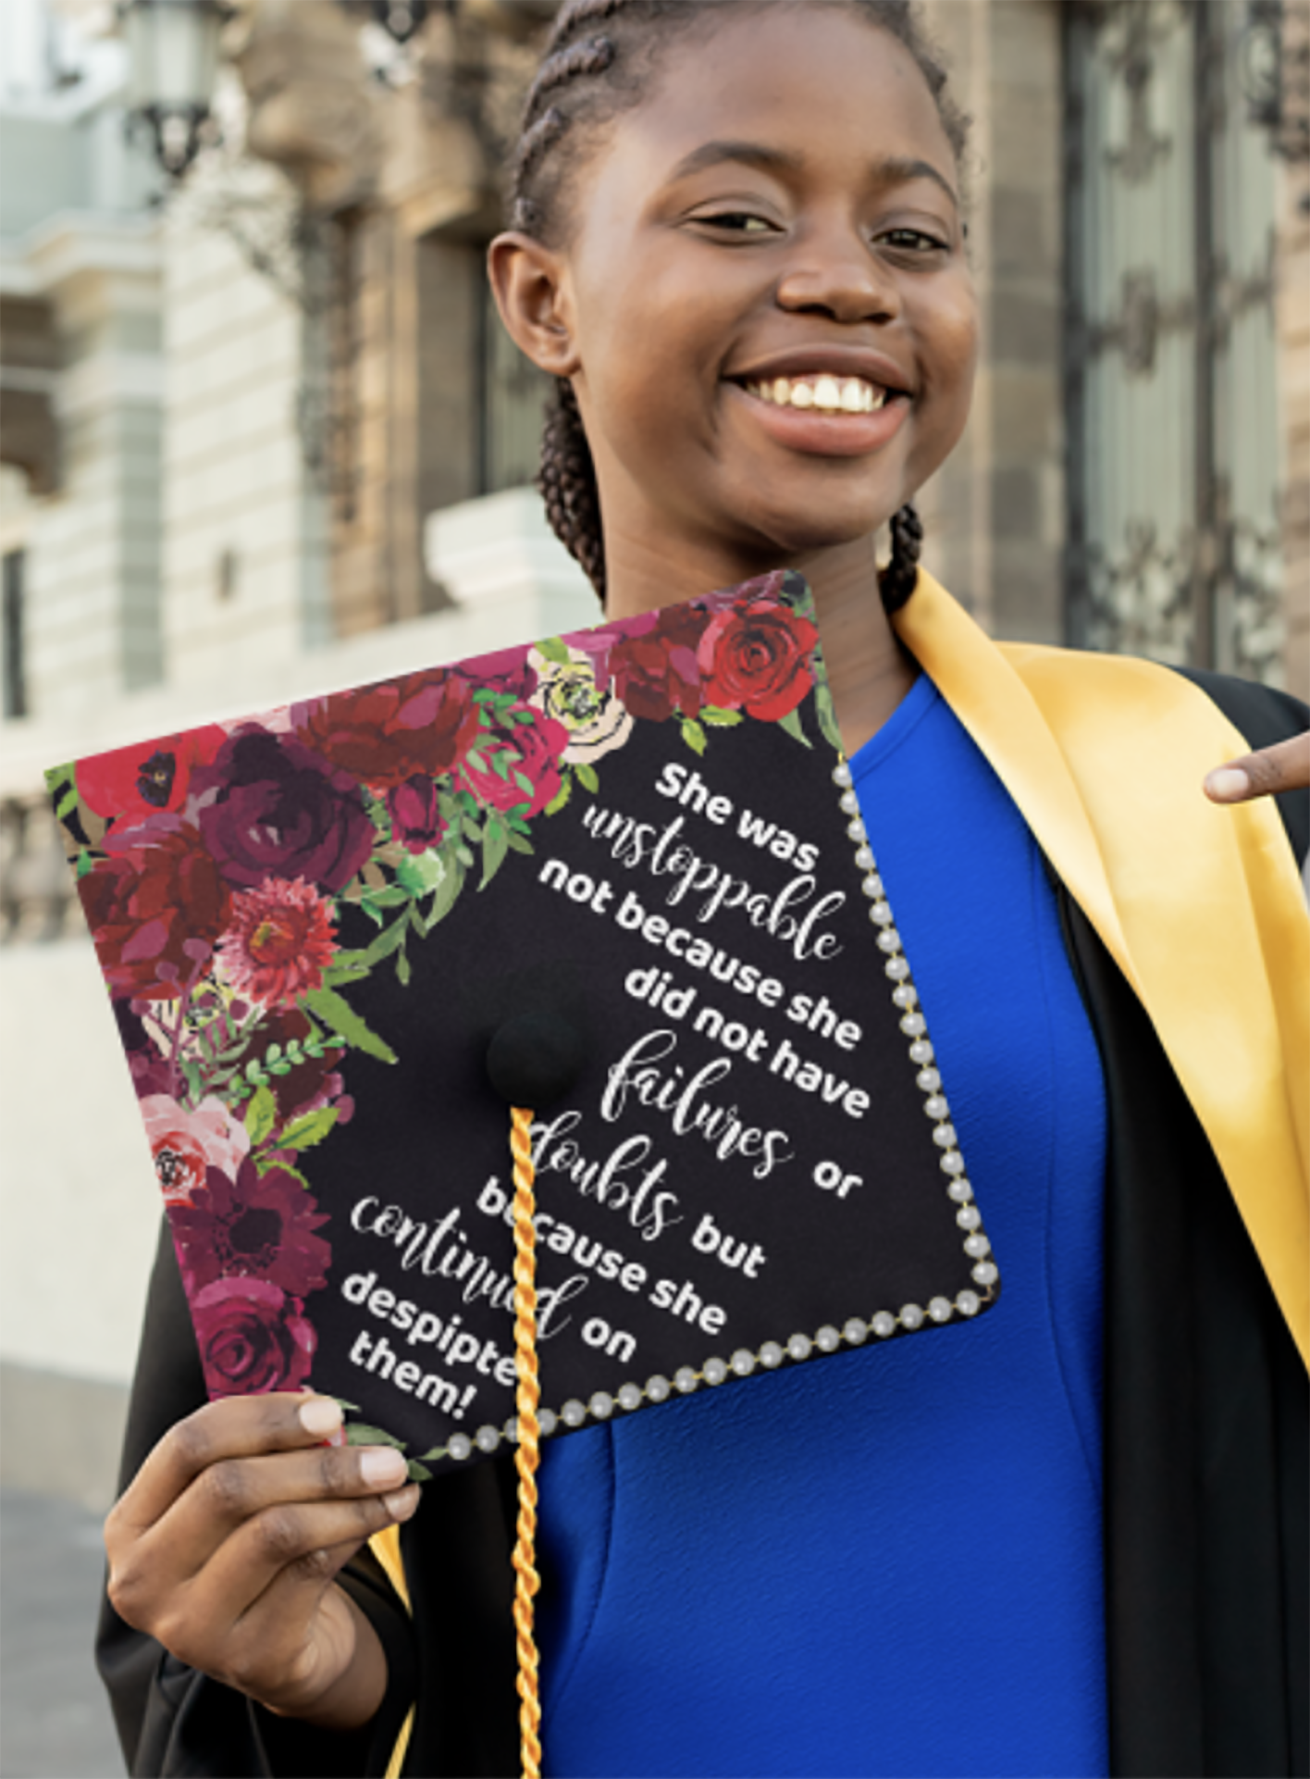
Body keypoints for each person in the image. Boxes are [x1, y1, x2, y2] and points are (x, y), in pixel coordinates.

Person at [96, 1, 1310, 1775]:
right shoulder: (362, 882)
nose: (844, 282)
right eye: (737, 217)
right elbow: (303, 1596)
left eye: (912, 235)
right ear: (539, 299)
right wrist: (316, 1675)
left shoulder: (1207, 795)